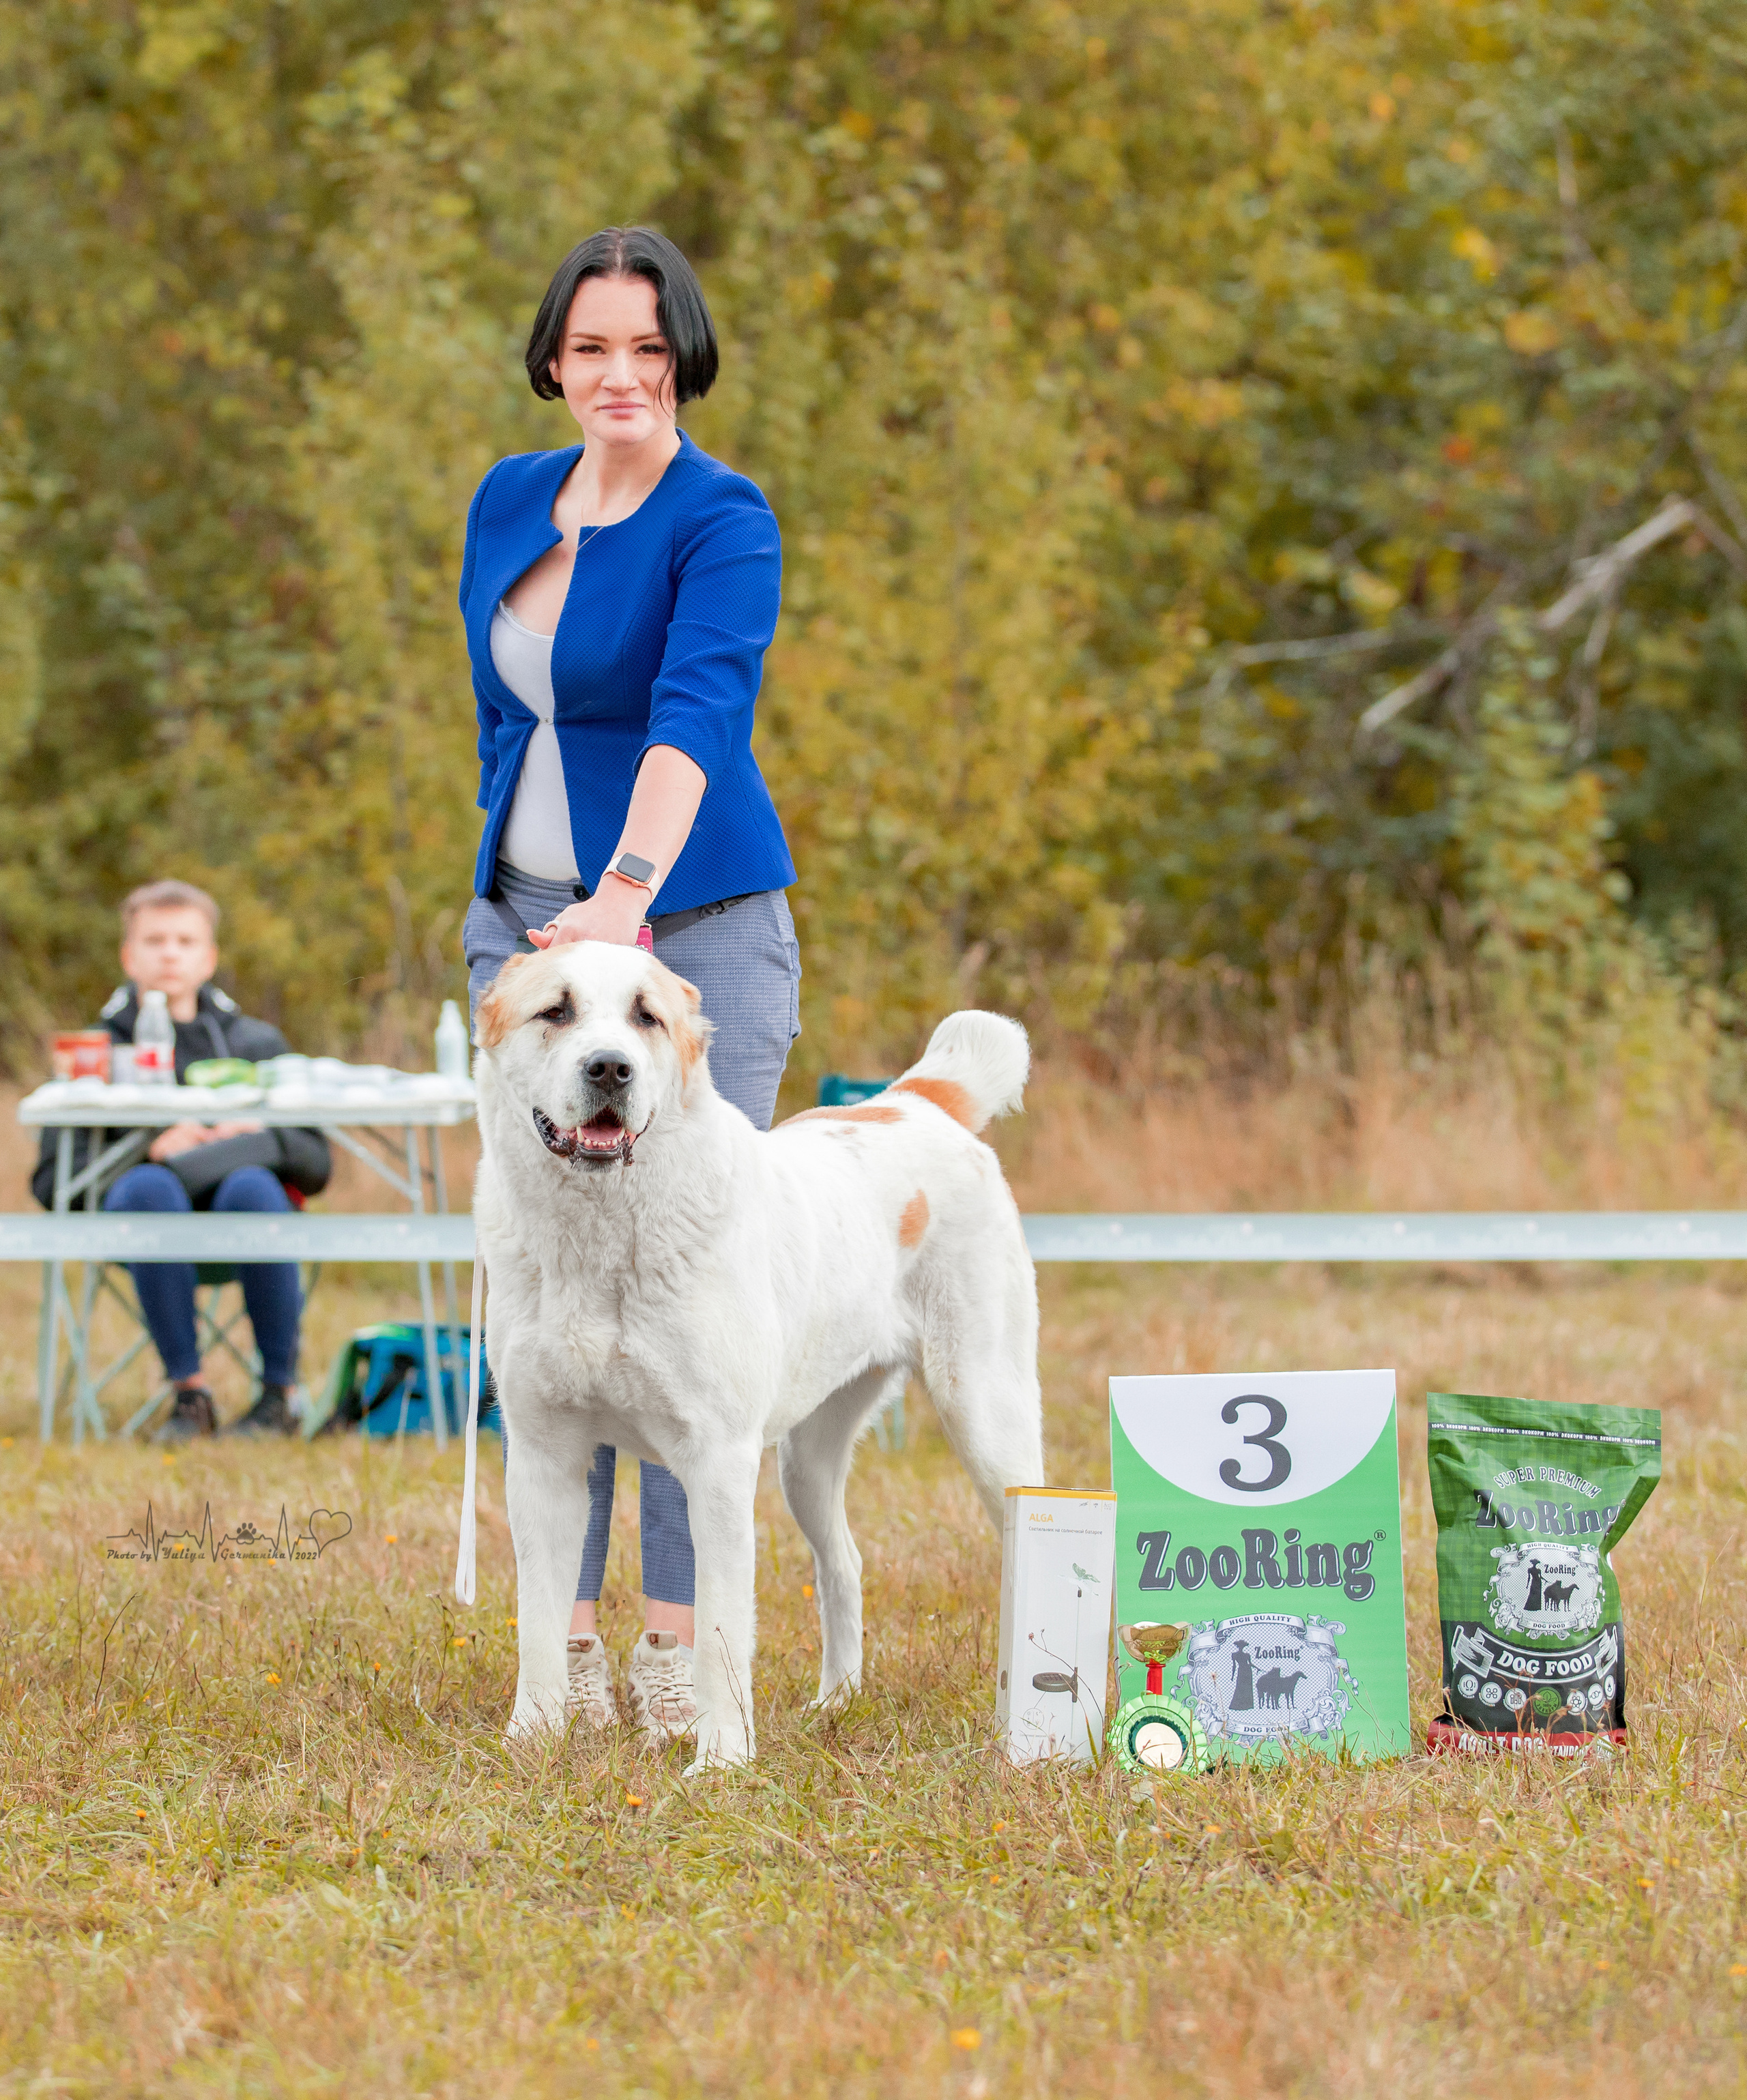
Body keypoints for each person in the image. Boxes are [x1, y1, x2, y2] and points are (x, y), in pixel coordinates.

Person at [459, 227, 801, 1745]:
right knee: (545, 1288)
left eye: (650, 352)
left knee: (679, 1297)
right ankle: (566, 1658)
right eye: (593, 347)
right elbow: (506, 711)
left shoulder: (721, 518)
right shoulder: (503, 501)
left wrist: (623, 901)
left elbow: (695, 711)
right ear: (551, 358)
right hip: (520, 936)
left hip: (687, 921)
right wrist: (521, 911)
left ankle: (679, 1653)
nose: (621, 377)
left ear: (685, 361)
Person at [31, 881, 331, 1441]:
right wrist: (147, 1145)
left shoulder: (257, 1043)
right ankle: (189, 1396)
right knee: (150, 1188)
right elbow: (52, 1184)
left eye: (186, 940)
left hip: (247, 1227)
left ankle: (279, 1396)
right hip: (140, 1235)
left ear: (210, 956)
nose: (170, 953)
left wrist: (251, 1136)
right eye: (155, 940)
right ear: (129, 956)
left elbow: (318, 1165)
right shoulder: (91, 1051)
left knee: (251, 1185)